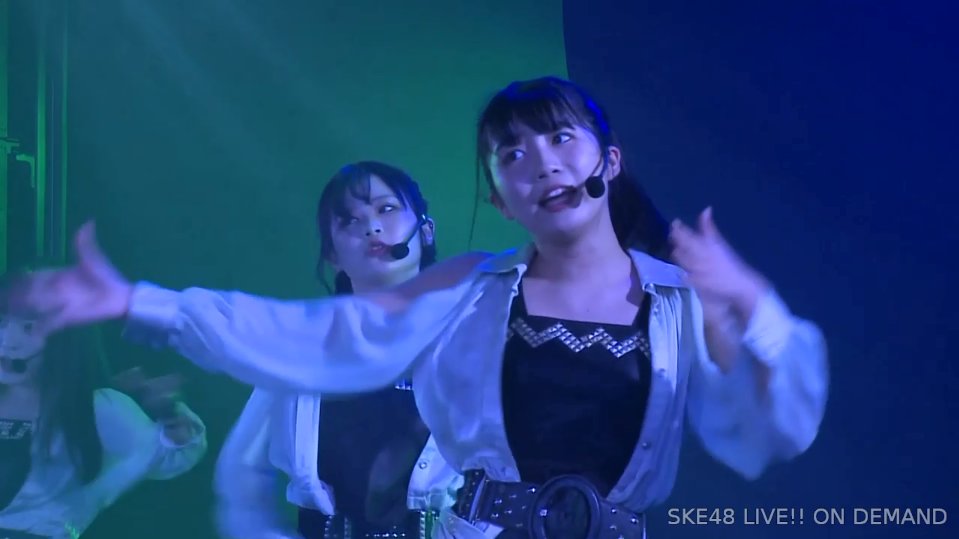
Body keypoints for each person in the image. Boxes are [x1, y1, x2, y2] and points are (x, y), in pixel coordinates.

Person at [7, 76, 829, 539]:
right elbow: (316, 334)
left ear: (607, 161)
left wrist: (754, 306)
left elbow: (765, 432)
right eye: (511, 152)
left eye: (559, 138)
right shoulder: (471, 290)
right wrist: (139, 300)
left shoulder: (676, 300)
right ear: (498, 197)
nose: (540, 162)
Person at [213, 162, 461, 539]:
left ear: (426, 231)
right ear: (332, 255)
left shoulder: (474, 342)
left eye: (386, 209)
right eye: (349, 220)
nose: (371, 227)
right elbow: (241, 470)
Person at [0, 289, 207, 539]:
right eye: (2, 323)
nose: (7, 340)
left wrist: (168, 412)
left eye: (28, 328)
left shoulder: (96, 409)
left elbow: (166, 454)